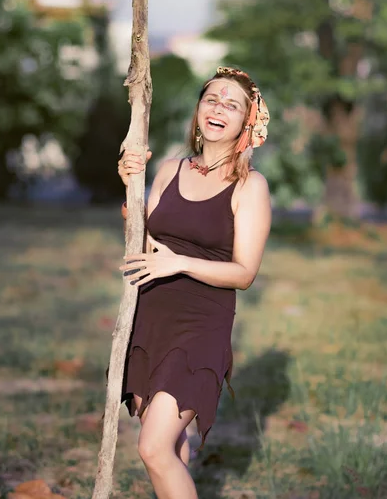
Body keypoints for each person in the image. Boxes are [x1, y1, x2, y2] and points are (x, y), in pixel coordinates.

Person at [117, 66, 272, 499]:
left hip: (200, 328)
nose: (219, 107)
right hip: (151, 318)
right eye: (211, 98)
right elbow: (144, 242)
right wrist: (130, 185)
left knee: (152, 448)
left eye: (232, 103)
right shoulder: (169, 169)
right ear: (198, 110)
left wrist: (178, 264)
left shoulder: (250, 187)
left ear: (247, 122)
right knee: (170, 444)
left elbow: (244, 272)